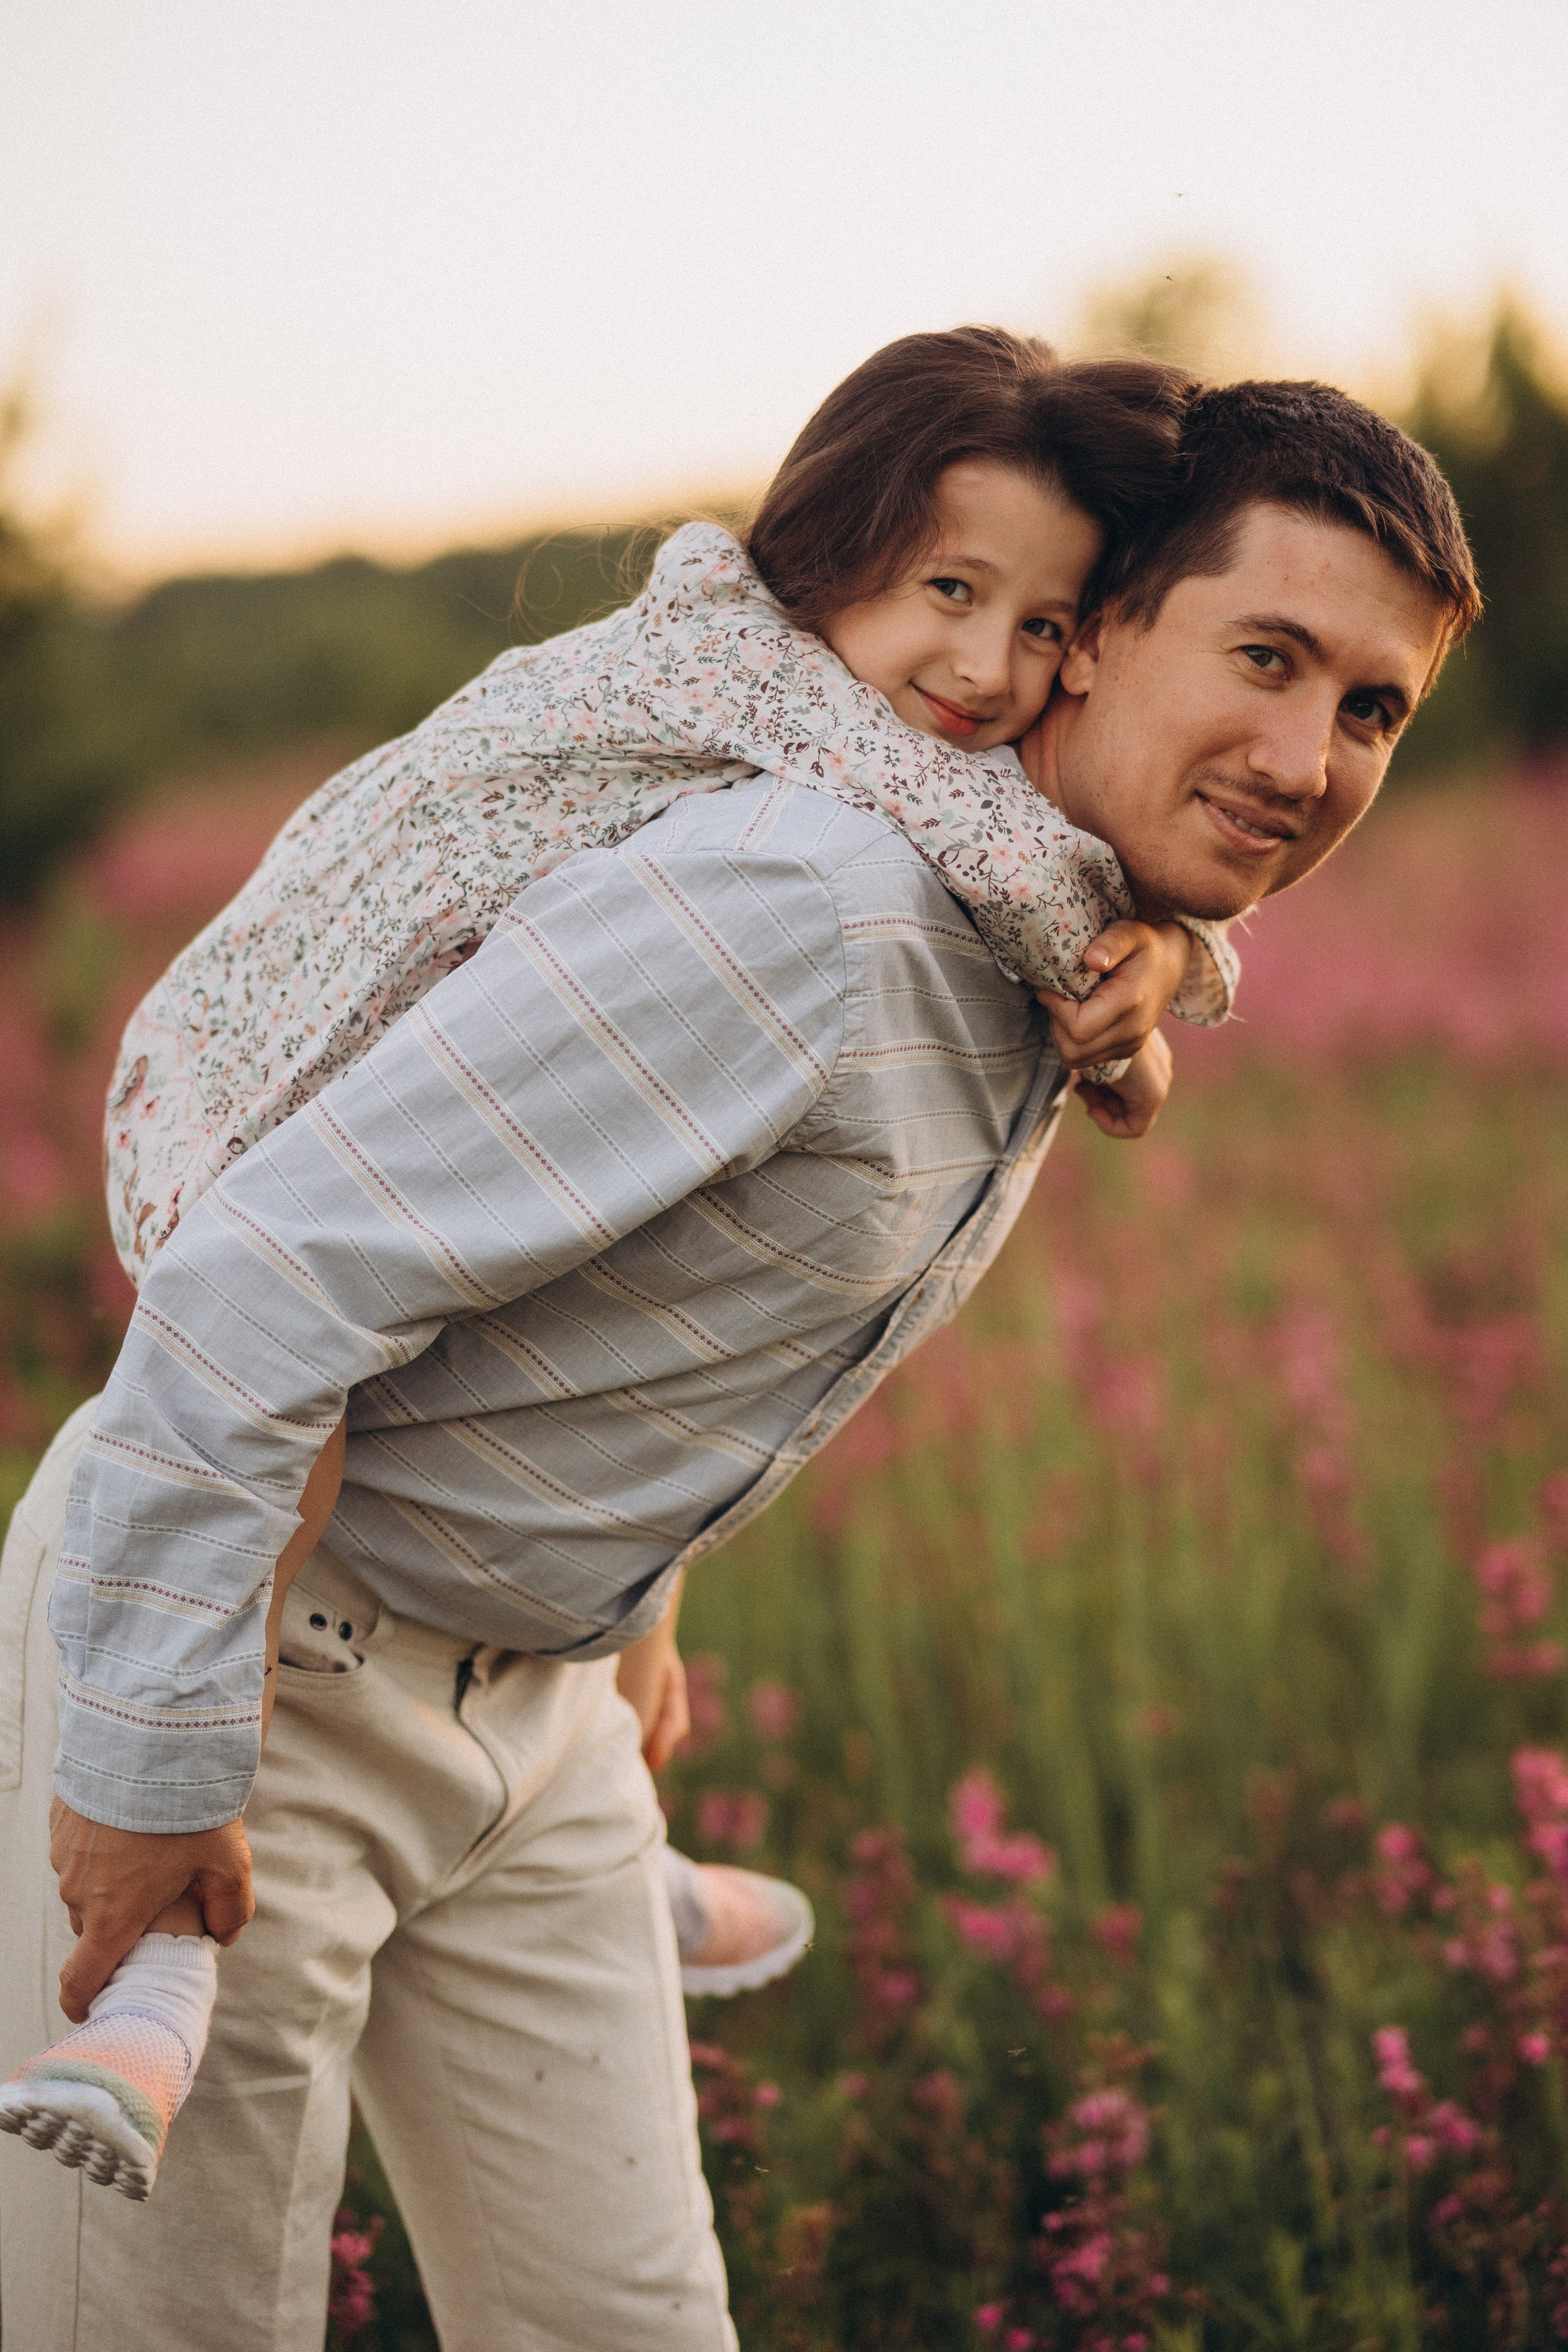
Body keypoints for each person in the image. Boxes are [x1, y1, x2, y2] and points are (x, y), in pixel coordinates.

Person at [0, 352, 1476, 2351]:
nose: (1308, 760)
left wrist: (638, 1592)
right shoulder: (808, 907)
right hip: (250, 1666)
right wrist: (144, 1766)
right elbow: (254, 1282)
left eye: (1373, 708)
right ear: (1107, 633)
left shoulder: (1043, 937)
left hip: (543, 1730)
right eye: (1268, 658)